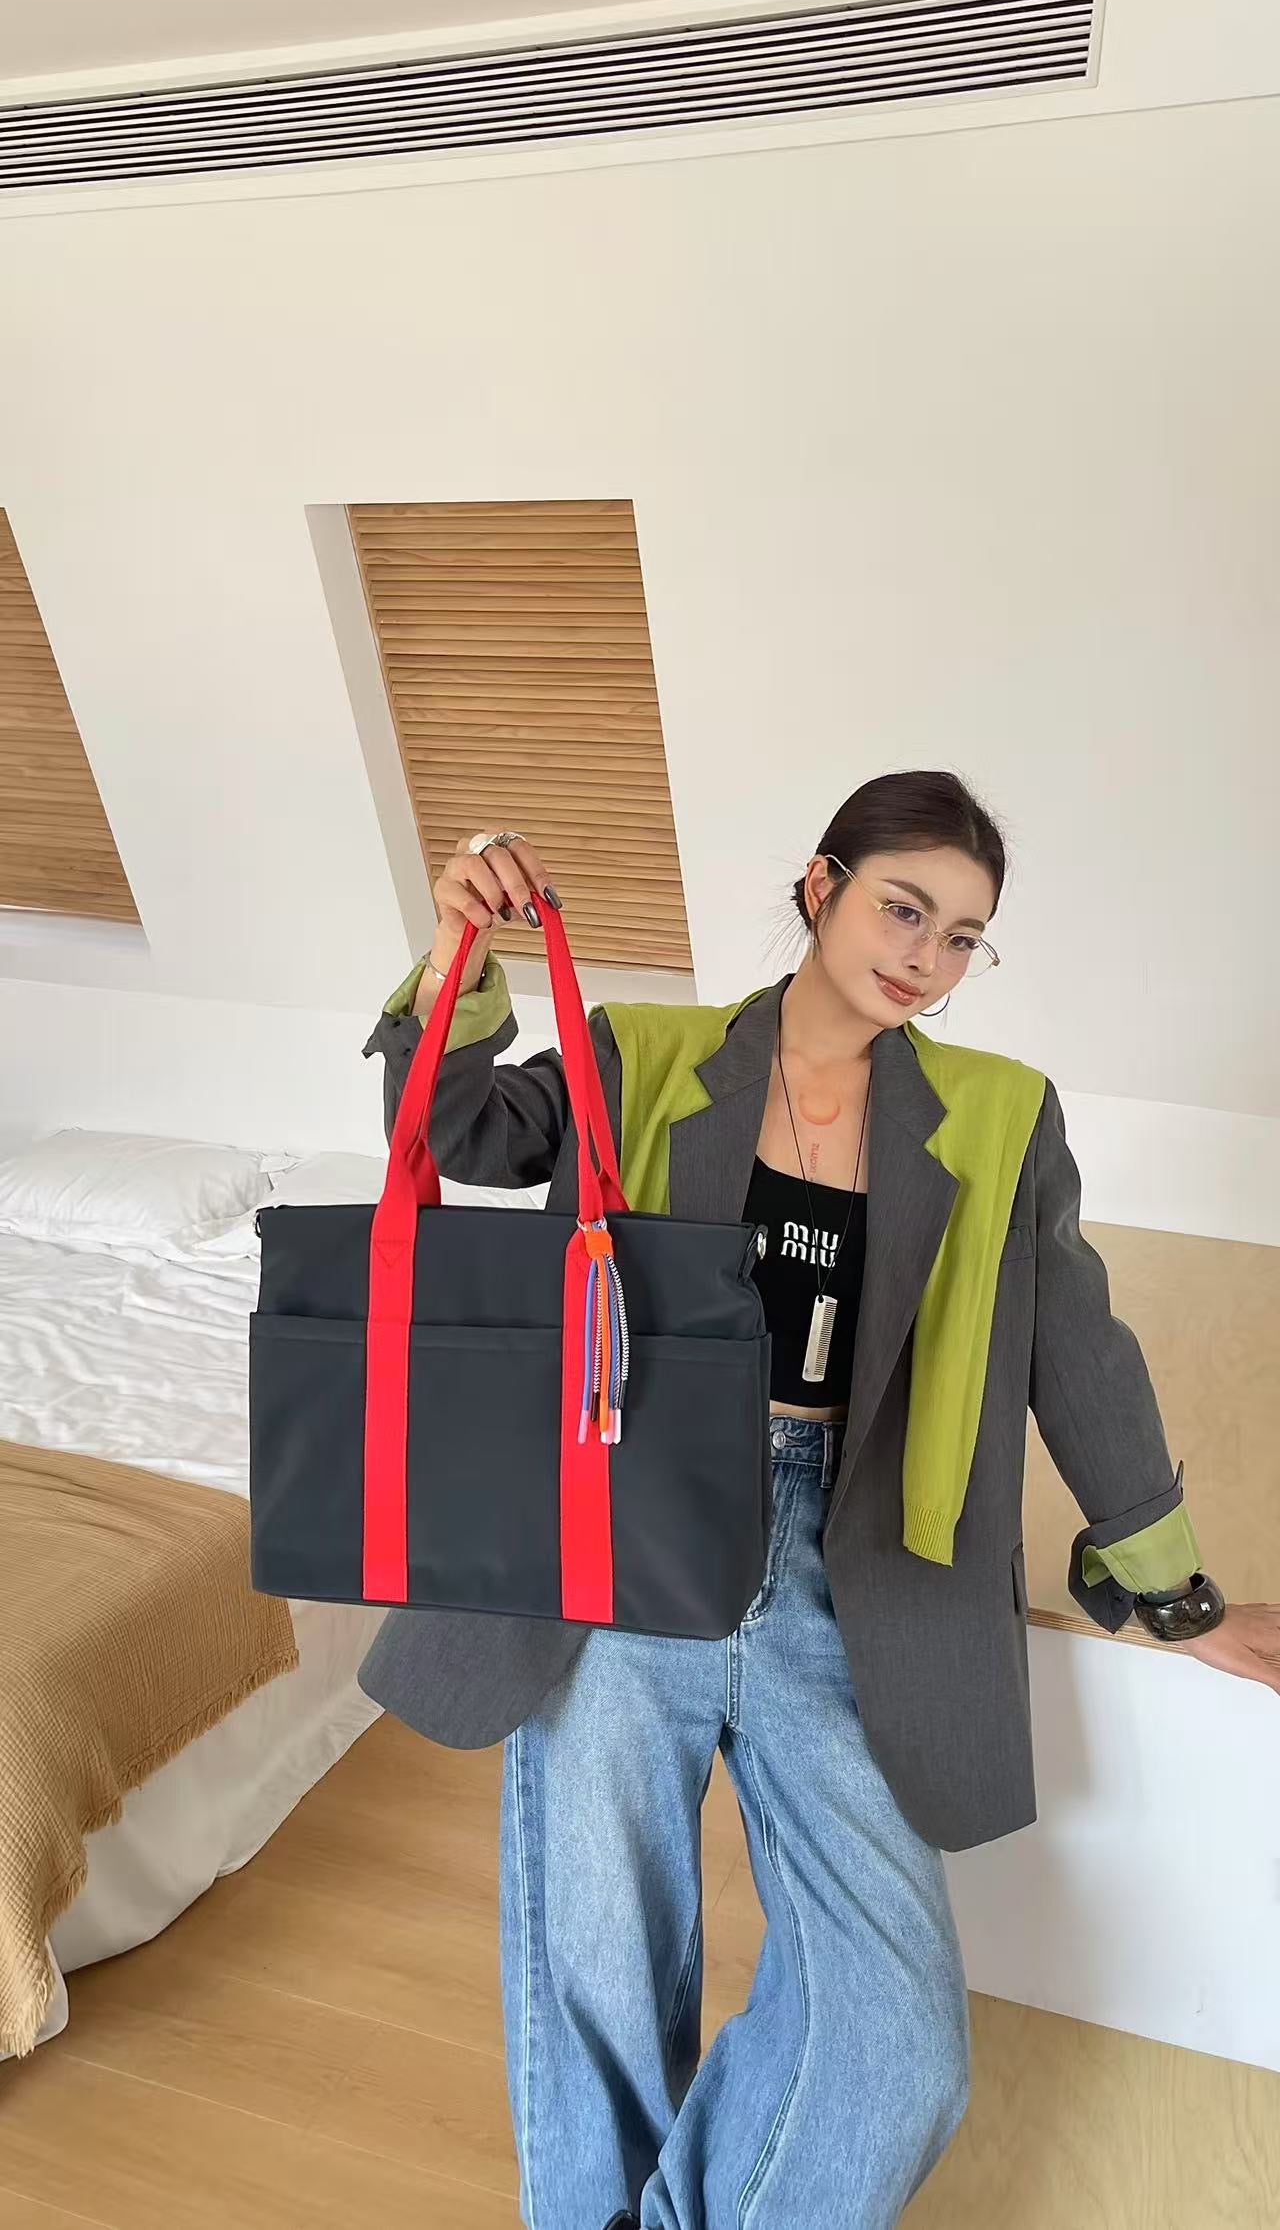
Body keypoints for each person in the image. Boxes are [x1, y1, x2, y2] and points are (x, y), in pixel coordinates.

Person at [360, 768, 1279, 2230]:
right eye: (904, 907)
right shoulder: (647, 1053)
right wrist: (459, 956)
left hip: (847, 1570)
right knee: (594, 1980)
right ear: (819, 886)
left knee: (898, 2037)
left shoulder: (999, 1117)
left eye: (963, 935)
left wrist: (1175, 1591)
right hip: (630, 1542)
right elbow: (468, 1134)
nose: (926, 955)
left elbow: (1075, 1349)